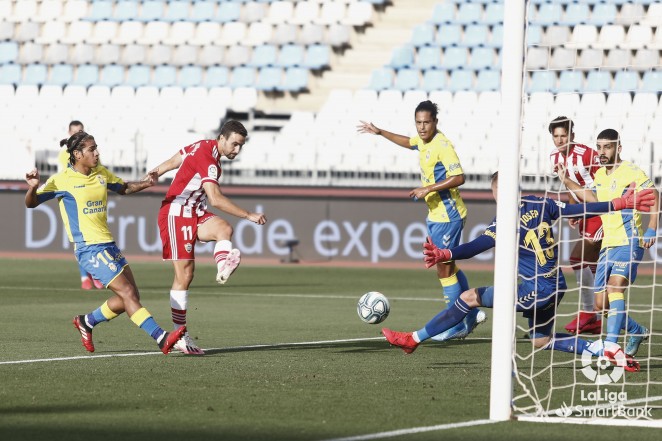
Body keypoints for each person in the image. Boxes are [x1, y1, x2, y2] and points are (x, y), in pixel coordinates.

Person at [382, 171, 655, 372]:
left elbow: (478, 246)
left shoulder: (504, 220)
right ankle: (602, 349)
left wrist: (447, 254)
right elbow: (580, 208)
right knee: (541, 340)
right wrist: (620, 204)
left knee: (469, 298)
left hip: (537, 289)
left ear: (501, 192)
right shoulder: (542, 203)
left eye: (498, 193)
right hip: (556, 285)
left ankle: (413, 339)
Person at [25, 130, 186, 354]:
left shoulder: (100, 172)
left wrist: (146, 183)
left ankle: (87, 322)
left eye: (96, 148)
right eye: (92, 149)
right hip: (88, 248)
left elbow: (123, 188)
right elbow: (31, 204)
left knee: (130, 296)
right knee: (128, 294)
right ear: (77, 154)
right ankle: (161, 337)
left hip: (108, 244)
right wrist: (32, 187)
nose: (97, 153)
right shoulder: (61, 180)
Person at [357, 100, 485, 342]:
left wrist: (429, 188)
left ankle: (458, 323)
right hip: (437, 214)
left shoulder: (442, 145)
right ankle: (472, 313)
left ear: (435, 122)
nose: (422, 127)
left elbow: (459, 177)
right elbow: (409, 142)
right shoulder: (423, 141)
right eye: (418, 122)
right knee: (450, 266)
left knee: (443, 268)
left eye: (427, 122)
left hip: (449, 215)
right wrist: (381, 132)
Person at [149, 120, 267, 355]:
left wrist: (156, 171)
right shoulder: (208, 158)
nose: (237, 150)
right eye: (234, 144)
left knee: (224, 229)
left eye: (241, 146)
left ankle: (223, 266)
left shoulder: (203, 146)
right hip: (176, 212)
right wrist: (248, 215)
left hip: (195, 211)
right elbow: (215, 198)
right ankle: (180, 334)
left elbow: (178, 158)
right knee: (185, 275)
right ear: (222, 138)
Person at [556, 129, 659, 359]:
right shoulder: (600, 175)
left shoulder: (630, 171)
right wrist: (566, 180)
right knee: (601, 305)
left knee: (615, 288)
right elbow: (593, 199)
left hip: (628, 241)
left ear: (618, 148)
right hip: (608, 245)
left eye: (607, 147)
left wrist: (652, 226)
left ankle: (611, 345)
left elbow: (654, 193)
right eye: (599, 147)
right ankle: (636, 331)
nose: (602, 152)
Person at [548, 116, 603, 334]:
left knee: (578, 258)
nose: (560, 140)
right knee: (592, 263)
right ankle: (595, 316)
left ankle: (591, 312)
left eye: (564, 135)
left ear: (572, 135)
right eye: (556, 136)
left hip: (600, 211)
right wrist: (573, 209)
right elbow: (572, 188)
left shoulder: (586, 154)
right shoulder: (554, 157)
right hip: (584, 213)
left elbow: (603, 184)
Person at [58, 120, 103, 290]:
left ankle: (96, 275)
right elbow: (68, 175)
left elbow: (97, 171)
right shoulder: (64, 155)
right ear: (69, 133)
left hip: (90, 196)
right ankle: (86, 277)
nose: (79, 133)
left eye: (81, 131)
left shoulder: (91, 151)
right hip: (75, 198)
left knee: (94, 239)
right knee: (81, 240)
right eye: (75, 131)